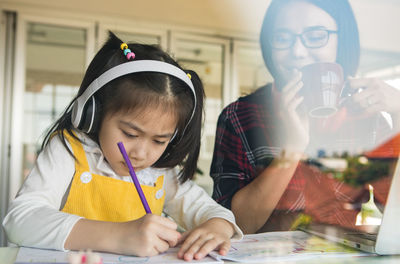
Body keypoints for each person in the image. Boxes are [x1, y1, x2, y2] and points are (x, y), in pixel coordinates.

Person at [3, 32, 242, 261]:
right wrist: (120, 235)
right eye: (130, 133)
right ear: (94, 116)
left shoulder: (160, 174)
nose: (141, 154)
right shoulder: (70, 150)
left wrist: (218, 226)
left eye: (159, 141)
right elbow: (20, 221)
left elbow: (213, 212)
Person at [210, 0, 400, 234]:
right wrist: (292, 148)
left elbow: (391, 213)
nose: (297, 52)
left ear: (342, 41)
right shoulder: (239, 117)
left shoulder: (367, 115)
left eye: (316, 36)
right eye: (282, 38)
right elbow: (236, 225)